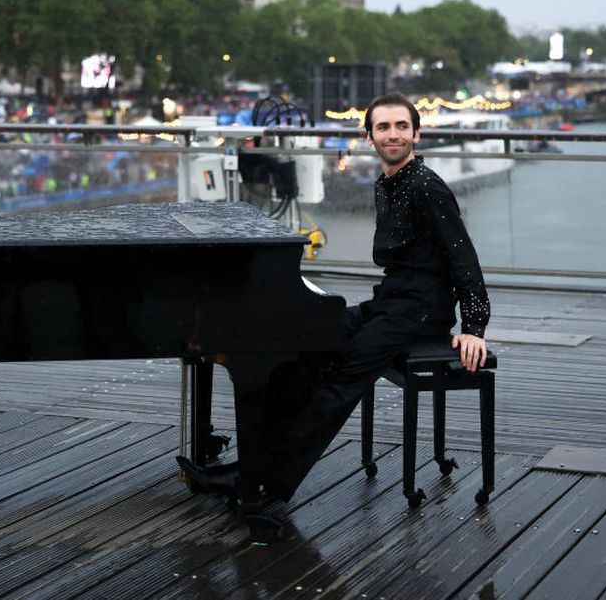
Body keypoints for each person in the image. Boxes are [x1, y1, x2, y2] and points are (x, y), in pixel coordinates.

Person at [179, 92, 490, 521]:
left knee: (343, 376)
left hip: (420, 312)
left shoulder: (426, 186)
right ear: (369, 137)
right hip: (392, 302)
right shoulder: (389, 182)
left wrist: (474, 326)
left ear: (417, 133)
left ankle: (260, 481)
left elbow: (463, 256)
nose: (393, 134)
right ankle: (254, 467)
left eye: (402, 126)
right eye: (383, 127)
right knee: (306, 342)